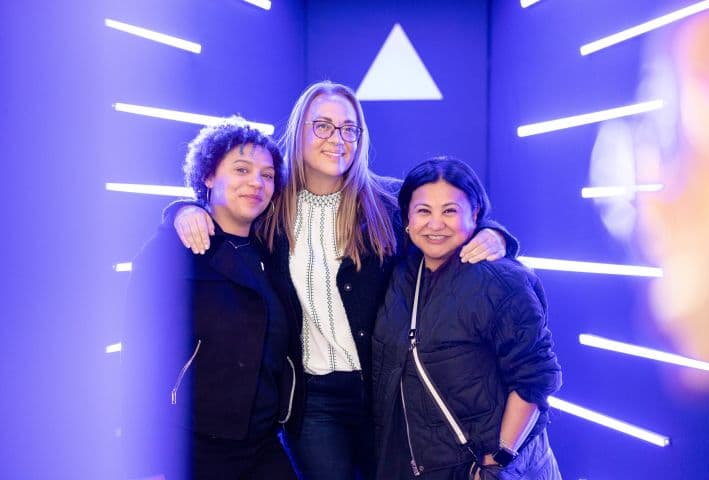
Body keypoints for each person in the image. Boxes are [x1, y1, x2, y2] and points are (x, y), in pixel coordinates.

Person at [168, 81, 518, 480]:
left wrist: (495, 234)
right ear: (299, 131)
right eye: (322, 126)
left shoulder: (387, 202)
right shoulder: (268, 206)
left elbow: (448, 220)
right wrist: (181, 210)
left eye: (349, 129)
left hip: (389, 392)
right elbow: (221, 213)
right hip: (314, 402)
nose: (337, 139)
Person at [123, 117, 300, 480]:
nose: (256, 182)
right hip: (191, 447)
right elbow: (140, 359)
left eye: (267, 175)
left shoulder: (274, 251)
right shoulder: (172, 249)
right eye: (241, 169)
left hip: (264, 443)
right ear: (207, 176)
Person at [373, 157, 562, 480]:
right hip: (425, 465)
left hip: (489, 468)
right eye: (423, 211)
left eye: (450, 211)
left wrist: (496, 460)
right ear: (406, 218)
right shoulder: (402, 272)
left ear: (474, 214)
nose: (435, 224)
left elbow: (535, 378)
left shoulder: (502, 281)